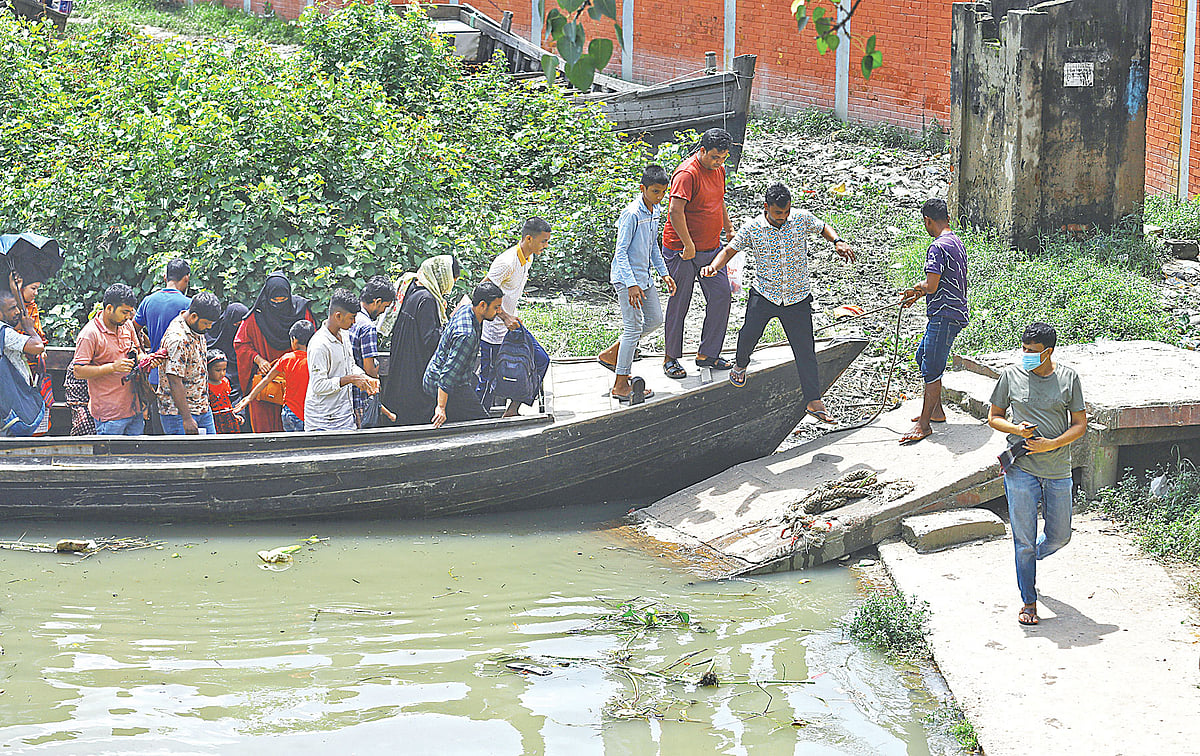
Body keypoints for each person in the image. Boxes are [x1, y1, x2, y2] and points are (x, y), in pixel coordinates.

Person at [701, 183, 855, 423]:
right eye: (777, 214)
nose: (783, 218)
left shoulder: (800, 219)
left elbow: (823, 227)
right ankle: (740, 364)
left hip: (797, 296)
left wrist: (838, 241)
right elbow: (729, 251)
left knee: (805, 349)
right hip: (765, 293)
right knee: (748, 335)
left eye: (786, 213)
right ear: (766, 208)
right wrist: (714, 266)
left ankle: (814, 401)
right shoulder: (753, 228)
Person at [987, 323, 1087, 627]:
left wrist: (1051, 445)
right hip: (1020, 469)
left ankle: (1030, 560)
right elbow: (993, 417)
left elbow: (1080, 423)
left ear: (1049, 352)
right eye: (1024, 350)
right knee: (1023, 540)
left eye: (1032, 351)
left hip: (1057, 469)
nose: (1026, 356)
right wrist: (1017, 429)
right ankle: (1028, 601)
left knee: (1060, 536)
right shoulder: (1010, 376)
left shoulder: (1069, 378)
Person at [595, 165, 677, 402]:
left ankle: (613, 354)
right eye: (654, 192)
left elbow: (652, 246)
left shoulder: (655, 210)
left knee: (654, 320)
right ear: (643, 189)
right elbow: (620, 252)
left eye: (663, 192)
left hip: (645, 278)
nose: (659, 197)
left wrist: (664, 273)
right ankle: (621, 384)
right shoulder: (632, 214)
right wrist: (631, 284)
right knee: (633, 327)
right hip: (626, 279)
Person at [660, 127, 735, 380]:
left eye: (723, 157)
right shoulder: (687, 173)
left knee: (722, 294)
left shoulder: (719, 170)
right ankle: (670, 358)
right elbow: (675, 212)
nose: (719, 162)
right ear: (702, 151)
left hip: (710, 248)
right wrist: (688, 244)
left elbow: (719, 200)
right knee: (680, 300)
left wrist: (728, 227)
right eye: (715, 157)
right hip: (681, 250)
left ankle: (708, 354)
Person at [899, 198, 970, 444]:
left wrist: (916, 289)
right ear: (948, 218)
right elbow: (942, 282)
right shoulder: (956, 242)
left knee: (931, 366)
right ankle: (936, 411)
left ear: (928, 221)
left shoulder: (937, 247)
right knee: (923, 357)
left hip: (944, 314)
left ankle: (924, 424)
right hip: (953, 311)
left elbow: (931, 285)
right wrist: (917, 296)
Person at [478, 218, 551, 417]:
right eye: (543, 241)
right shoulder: (506, 262)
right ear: (529, 239)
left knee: (541, 360)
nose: (545, 246)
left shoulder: (528, 258)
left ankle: (512, 410)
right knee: (488, 379)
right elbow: (483, 292)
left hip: (512, 325)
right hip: (493, 329)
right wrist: (503, 316)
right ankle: (477, 421)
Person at [380, 255, 460, 426]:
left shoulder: (411, 287)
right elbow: (431, 339)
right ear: (443, 277)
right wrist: (450, 325)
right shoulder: (428, 300)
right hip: (415, 370)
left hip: (401, 365)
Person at [234, 273, 315, 433]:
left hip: (296, 381)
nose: (278, 304)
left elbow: (314, 340)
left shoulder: (300, 311)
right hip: (266, 383)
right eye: (274, 300)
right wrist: (258, 360)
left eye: (282, 300)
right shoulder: (256, 315)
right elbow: (241, 343)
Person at [425, 281, 504, 428]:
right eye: (496, 307)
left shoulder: (467, 309)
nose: (499, 311)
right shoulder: (466, 335)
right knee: (481, 424)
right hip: (443, 384)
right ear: (482, 305)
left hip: (451, 378)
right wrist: (441, 407)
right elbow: (448, 375)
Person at [71, 284, 146, 436]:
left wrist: (145, 359)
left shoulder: (127, 326)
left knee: (136, 458)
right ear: (109, 308)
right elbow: (78, 371)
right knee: (110, 458)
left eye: (130, 312)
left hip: (134, 409)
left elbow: (138, 351)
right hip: (109, 415)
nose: (128, 317)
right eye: (124, 312)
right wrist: (112, 367)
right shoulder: (90, 334)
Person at [305, 289, 379, 432]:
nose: (354, 322)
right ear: (338, 316)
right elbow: (318, 386)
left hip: (344, 416)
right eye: (352, 317)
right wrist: (350, 379)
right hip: (321, 421)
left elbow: (350, 365)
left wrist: (364, 378)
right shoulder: (319, 344)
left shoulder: (345, 335)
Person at [133, 259, 191, 433]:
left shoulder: (148, 301)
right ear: (186, 278)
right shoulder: (188, 305)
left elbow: (133, 329)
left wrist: (145, 351)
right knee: (183, 426)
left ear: (165, 277)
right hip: (181, 376)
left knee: (160, 429)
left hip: (155, 374)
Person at [158, 292, 222, 435]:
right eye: (206, 323)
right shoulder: (178, 339)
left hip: (202, 408)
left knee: (213, 453)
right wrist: (186, 418)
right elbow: (174, 380)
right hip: (178, 414)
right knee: (184, 456)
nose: (209, 328)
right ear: (193, 316)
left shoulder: (195, 329)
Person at [235, 320, 313, 433]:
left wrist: (249, 398)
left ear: (294, 341)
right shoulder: (314, 360)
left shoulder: (287, 358)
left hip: (289, 413)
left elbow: (266, 379)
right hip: (308, 413)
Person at [349, 275, 396, 427]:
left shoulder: (350, 317)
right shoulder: (368, 327)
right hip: (360, 396)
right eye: (385, 306)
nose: (383, 311)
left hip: (346, 395)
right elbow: (369, 369)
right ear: (377, 302)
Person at [0, 281, 46, 429]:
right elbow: (38, 346)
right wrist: (30, 329)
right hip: (12, 402)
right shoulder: (4, 333)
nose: (17, 312)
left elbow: (19, 319)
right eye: (12, 308)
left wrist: (15, 289)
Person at [12, 273, 52, 435]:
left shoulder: (32, 307)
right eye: (33, 288)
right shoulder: (10, 307)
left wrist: (41, 349)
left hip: (34, 366)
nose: (35, 293)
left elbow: (39, 336)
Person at [206, 302, 250, 413]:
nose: (238, 330)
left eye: (242, 325)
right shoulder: (210, 339)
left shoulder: (247, 341)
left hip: (241, 387)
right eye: (235, 325)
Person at [206, 349, 242, 434]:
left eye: (224, 369)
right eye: (218, 370)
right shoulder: (205, 385)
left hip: (228, 419)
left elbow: (227, 402)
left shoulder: (225, 382)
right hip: (214, 419)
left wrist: (234, 415)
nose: (222, 373)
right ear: (207, 369)